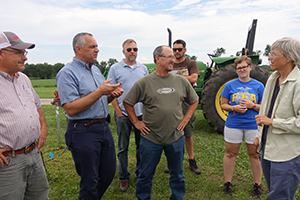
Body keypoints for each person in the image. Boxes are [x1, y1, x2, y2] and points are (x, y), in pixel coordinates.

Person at [123, 45, 199, 199]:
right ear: (158, 59)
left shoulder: (181, 81)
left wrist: (186, 118)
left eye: (173, 56)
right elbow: (127, 102)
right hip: (151, 138)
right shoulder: (144, 82)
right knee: (145, 175)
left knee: (177, 175)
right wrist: (136, 123)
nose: (173, 59)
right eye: (169, 57)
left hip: (176, 137)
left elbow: (194, 100)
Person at [56, 32, 124, 200]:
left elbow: (97, 100)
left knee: (108, 173)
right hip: (82, 131)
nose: (97, 50)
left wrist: (111, 95)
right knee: (90, 179)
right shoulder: (67, 73)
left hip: (102, 127)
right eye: (92, 46)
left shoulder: (95, 70)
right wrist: (100, 91)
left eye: (96, 46)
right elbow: (71, 108)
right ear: (78, 49)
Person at [0, 31, 49, 199]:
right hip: (8, 162)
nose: (25, 57)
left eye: (24, 52)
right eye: (19, 53)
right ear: (0, 54)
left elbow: (37, 108)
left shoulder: (24, 79)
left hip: (33, 153)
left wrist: (43, 129)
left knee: (40, 196)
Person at [253, 37, 300, 200]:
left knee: (280, 196)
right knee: (279, 192)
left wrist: (272, 122)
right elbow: (265, 111)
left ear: (289, 57)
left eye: (273, 54)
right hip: (268, 147)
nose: (269, 58)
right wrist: (259, 136)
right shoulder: (273, 78)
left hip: (288, 152)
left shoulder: (298, 83)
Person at [107, 39, 148, 191]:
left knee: (141, 146)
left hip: (140, 115)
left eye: (135, 49)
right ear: (123, 51)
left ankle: (139, 172)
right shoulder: (115, 68)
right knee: (123, 148)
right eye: (129, 49)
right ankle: (123, 177)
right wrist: (118, 112)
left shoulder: (143, 69)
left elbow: (146, 91)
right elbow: (111, 91)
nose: (132, 52)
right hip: (123, 114)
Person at [220, 56, 264, 198]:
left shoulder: (259, 86)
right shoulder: (229, 85)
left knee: (254, 155)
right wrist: (234, 108)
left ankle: (257, 185)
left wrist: (253, 106)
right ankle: (228, 182)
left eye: (245, 67)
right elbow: (223, 105)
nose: (242, 70)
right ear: (236, 70)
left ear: (250, 68)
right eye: (239, 68)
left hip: (253, 125)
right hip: (234, 125)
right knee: (230, 153)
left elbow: (264, 107)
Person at [164, 39, 201, 175]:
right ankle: (171, 161)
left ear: (185, 50)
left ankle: (191, 160)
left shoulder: (191, 63)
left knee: (188, 133)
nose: (177, 52)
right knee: (171, 131)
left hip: (186, 101)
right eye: (174, 50)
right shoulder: (169, 63)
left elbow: (194, 79)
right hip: (171, 101)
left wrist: (174, 78)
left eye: (179, 49)